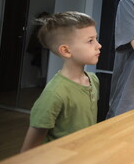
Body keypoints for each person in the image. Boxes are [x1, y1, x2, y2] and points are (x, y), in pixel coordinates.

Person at [21, 11, 102, 152]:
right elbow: (28, 150)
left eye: (96, 39)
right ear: (66, 50)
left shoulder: (93, 80)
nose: (98, 45)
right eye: (90, 41)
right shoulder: (55, 93)